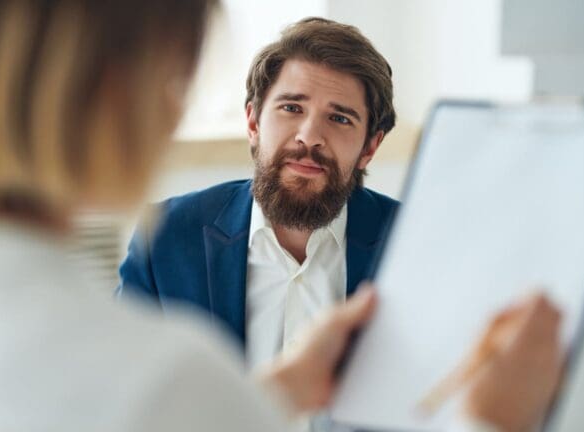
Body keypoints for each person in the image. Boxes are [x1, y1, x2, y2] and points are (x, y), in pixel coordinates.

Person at [0, 2, 562, 431]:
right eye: (176, 77)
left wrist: (284, 388)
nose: (309, 137)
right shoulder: (165, 361)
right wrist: (495, 422)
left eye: (339, 119)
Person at [118, 18, 398, 371]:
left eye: (340, 118)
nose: (309, 136)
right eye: (291, 108)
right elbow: (120, 382)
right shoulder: (164, 235)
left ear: (369, 147)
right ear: (253, 123)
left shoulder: (414, 241)